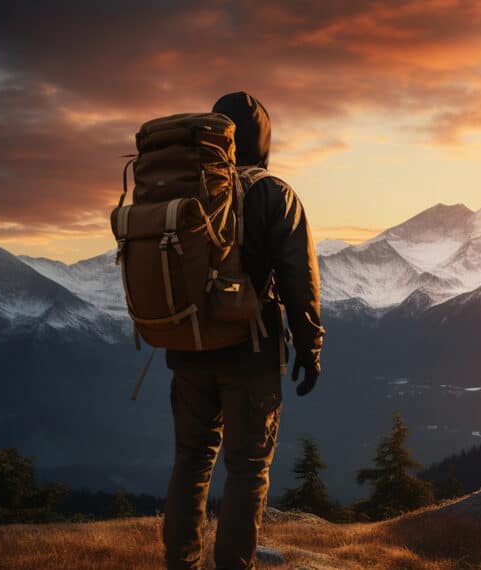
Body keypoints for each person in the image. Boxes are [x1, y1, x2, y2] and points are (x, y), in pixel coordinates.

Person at [162, 91, 325, 570]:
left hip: (188, 349)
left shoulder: (184, 191)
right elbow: (300, 279)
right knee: (248, 470)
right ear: (263, 140)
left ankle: (181, 564)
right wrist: (310, 347)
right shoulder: (273, 194)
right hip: (249, 354)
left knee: (191, 463)